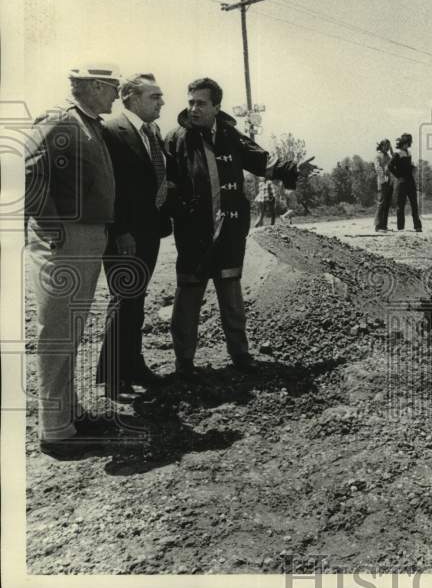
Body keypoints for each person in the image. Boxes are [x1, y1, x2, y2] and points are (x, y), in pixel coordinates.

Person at [163, 78, 315, 376]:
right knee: (188, 295)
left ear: (216, 106)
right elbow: (166, 185)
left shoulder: (232, 136)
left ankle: (240, 355)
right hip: (193, 234)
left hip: (230, 231)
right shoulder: (175, 139)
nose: (193, 108)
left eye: (201, 103)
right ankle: (184, 362)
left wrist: (294, 170)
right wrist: (178, 212)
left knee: (231, 294)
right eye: (190, 102)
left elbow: (265, 163)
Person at [24, 63, 122, 456]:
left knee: (72, 330)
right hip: (66, 236)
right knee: (58, 332)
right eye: (113, 87)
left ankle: (70, 414)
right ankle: (56, 431)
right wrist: (50, 225)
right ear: (96, 86)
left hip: (84, 235)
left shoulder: (88, 122)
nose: (117, 94)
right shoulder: (60, 120)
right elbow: (25, 169)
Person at [97, 72, 172, 401]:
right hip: (124, 234)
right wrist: (120, 230)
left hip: (149, 230)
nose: (162, 102)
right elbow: (108, 186)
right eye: (154, 96)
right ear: (130, 98)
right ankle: (113, 379)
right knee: (123, 299)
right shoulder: (111, 130)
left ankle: (134, 365)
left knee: (136, 301)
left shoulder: (151, 131)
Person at [390, 132, 422, 232]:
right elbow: (390, 166)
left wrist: (413, 168)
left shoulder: (408, 153)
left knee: (414, 204)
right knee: (401, 205)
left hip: (410, 181)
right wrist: (398, 176)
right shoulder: (397, 154)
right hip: (402, 182)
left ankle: (417, 226)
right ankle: (400, 227)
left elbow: (407, 167)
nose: (409, 144)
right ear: (404, 143)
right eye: (408, 142)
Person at [373, 138, 393, 232]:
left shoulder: (388, 156)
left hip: (389, 181)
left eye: (389, 146)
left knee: (387, 204)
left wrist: (392, 150)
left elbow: (393, 162)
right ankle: (378, 226)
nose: (387, 147)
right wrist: (383, 177)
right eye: (386, 145)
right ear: (382, 145)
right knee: (381, 203)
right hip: (382, 182)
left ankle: (384, 226)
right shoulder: (378, 156)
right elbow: (377, 168)